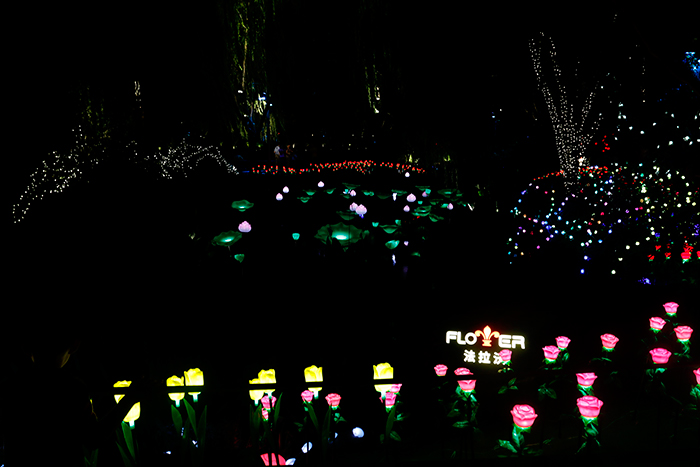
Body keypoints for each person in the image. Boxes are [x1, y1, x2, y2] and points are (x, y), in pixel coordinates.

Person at [1, 327, 163, 467]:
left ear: (25, 347)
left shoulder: (12, 387)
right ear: (74, 345)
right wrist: (130, 398)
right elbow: (94, 437)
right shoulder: (71, 388)